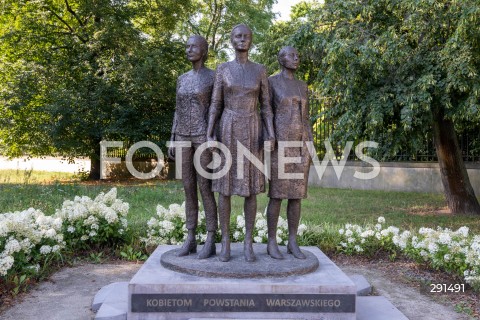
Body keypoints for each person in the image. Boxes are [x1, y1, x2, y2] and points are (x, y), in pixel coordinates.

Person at [206, 24, 275, 262]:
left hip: (253, 128)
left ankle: (248, 242)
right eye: (238, 36)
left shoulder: (260, 70)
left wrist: (270, 133)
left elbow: (266, 106)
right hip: (228, 127)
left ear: (251, 40)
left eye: (246, 36)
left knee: (251, 189)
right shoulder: (223, 69)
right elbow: (215, 103)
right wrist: (209, 133)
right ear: (231, 40)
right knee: (224, 187)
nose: (242, 39)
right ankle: (225, 241)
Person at [168, 35, 217, 259]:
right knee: (188, 188)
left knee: (205, 187)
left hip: (202, 136)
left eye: (193, 46)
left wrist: (214, 137)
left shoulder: (212, 77)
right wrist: (173, 136)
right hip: (182, 135)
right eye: (186, 46)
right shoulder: (181, 78)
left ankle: (211, 237)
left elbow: (218, 108)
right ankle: (190, 237)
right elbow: (177, 110)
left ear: (204, 51)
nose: (189, 50)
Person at [266, 46, 313, 260]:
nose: (296, 58)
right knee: (277, 194)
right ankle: (272, 240)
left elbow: (307, 118)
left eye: (297, 55)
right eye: (291, 55)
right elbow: (266, 112)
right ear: (281, 59)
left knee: (296, 195)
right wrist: (270, 137)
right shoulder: (272, 82)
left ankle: (292, 241)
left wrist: (310, 143)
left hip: (301, 144)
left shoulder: (303, 86)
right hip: (280, 144)